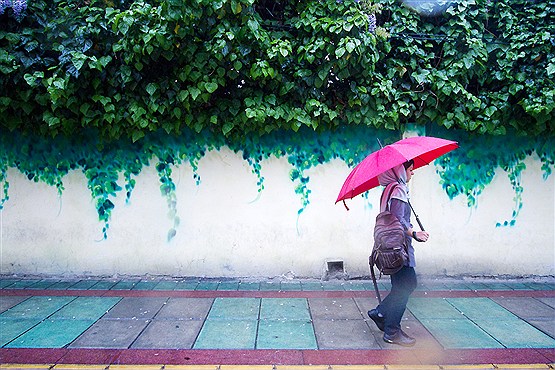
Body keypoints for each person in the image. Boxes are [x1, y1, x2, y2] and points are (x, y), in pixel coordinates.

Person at [367, 159, 429, 346]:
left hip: (389, 247)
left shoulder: (388, 189)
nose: (412, 173)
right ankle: (392, 331)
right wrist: (415, 233)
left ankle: (381, 313)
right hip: (398, 248)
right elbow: (397, 220)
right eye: (410, 169)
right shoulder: (399, 190)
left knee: (402, 285)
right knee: (407, 284)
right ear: (400, 170)